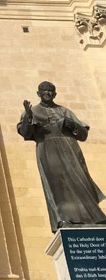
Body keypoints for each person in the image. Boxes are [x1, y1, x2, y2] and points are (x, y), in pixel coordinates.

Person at [17, 81, 106, 232]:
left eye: (51, 91)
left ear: (55, 94)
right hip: (48, 150)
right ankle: (66, 218)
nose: (48, 93)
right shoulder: (32, 111)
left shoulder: (65, 111)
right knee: (58, 184)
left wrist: (71, 124)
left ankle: (95, 217)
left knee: (81, 180)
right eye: (44, 91)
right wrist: (28, 118)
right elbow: (26, 133)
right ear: (38, 94)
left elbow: (83, 135)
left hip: (70, 149)